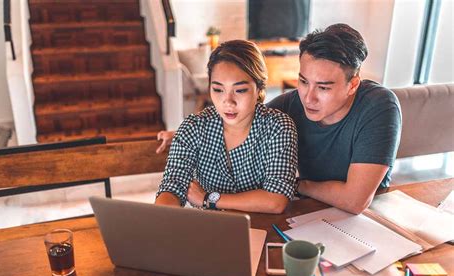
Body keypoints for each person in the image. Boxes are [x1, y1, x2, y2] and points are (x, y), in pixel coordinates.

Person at [157, 24, 401, 215]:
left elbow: (355, 201)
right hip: (308, 213)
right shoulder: (290, 105)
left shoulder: (378, 105)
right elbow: (243, 118)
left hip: (368, 218)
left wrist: (296, 186)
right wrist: (183, 134)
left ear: (352, 85)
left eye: (323, 88)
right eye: (303, 81)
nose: (308, 97)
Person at [155, 40, 298, 214]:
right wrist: (160, 219)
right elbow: (172, 186)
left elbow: (276, 200)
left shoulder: (279, 127)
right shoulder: (193, 127)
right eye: (218, 89)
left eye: (240, 90)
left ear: (259, 88)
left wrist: (208, 198)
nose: (227, 102)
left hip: (264, 228)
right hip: (210, 229)